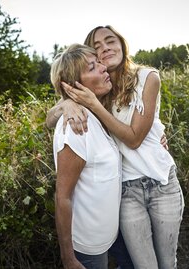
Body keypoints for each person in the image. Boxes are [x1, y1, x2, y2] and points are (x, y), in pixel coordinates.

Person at [47, 26, 184, 269]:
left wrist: (159, 134)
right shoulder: (99, 93)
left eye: (110, 41)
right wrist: (67, 103)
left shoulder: (143, 78)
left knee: (167, 262)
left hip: (161, 181)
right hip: (127, 190)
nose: (105, 48)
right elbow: (50, 117)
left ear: (122, 43)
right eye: (97, 48)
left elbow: (135, 138)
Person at [51, 43, 122, 269]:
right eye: (93, 67)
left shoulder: (94, 114)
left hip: (107, 235)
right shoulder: (75, 127)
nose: (103, 68)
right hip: (88, 247)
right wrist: (69, 258)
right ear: (74, 86)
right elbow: (63, 197)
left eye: (99, 63)